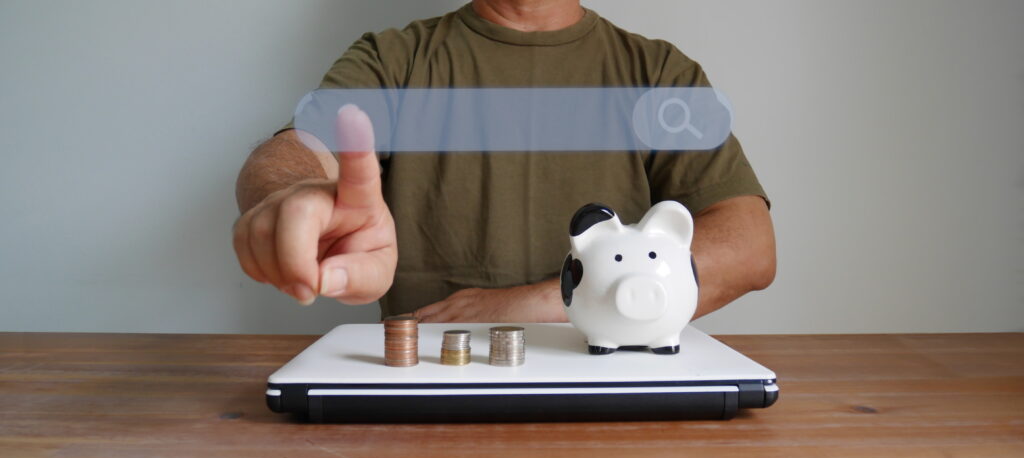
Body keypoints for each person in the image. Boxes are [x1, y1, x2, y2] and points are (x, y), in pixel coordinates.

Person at [233, 0, 776, 323]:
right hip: (425, 390)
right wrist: (293, 198)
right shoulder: (391, 59)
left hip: (612, 385)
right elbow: (296, 154)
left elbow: (748, 246)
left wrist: (548, 304)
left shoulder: (661, 72)